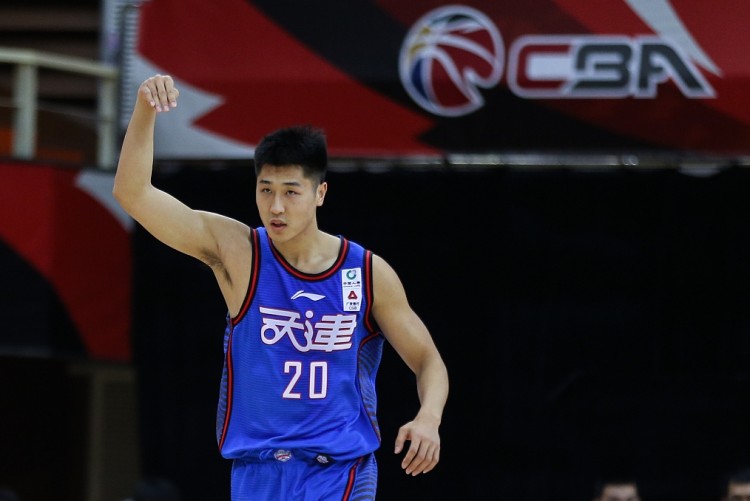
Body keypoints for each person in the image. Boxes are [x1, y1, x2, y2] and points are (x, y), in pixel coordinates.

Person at [113, 74, 449, 501]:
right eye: (266, 190)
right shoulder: (240, 252)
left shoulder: (365, 272)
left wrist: (429, 418)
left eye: (291, 192)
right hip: (259, 473)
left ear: (320, 193)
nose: (276, 206)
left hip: (340, 472)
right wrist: (145, 109)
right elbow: (133, 193)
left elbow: (428, 360)